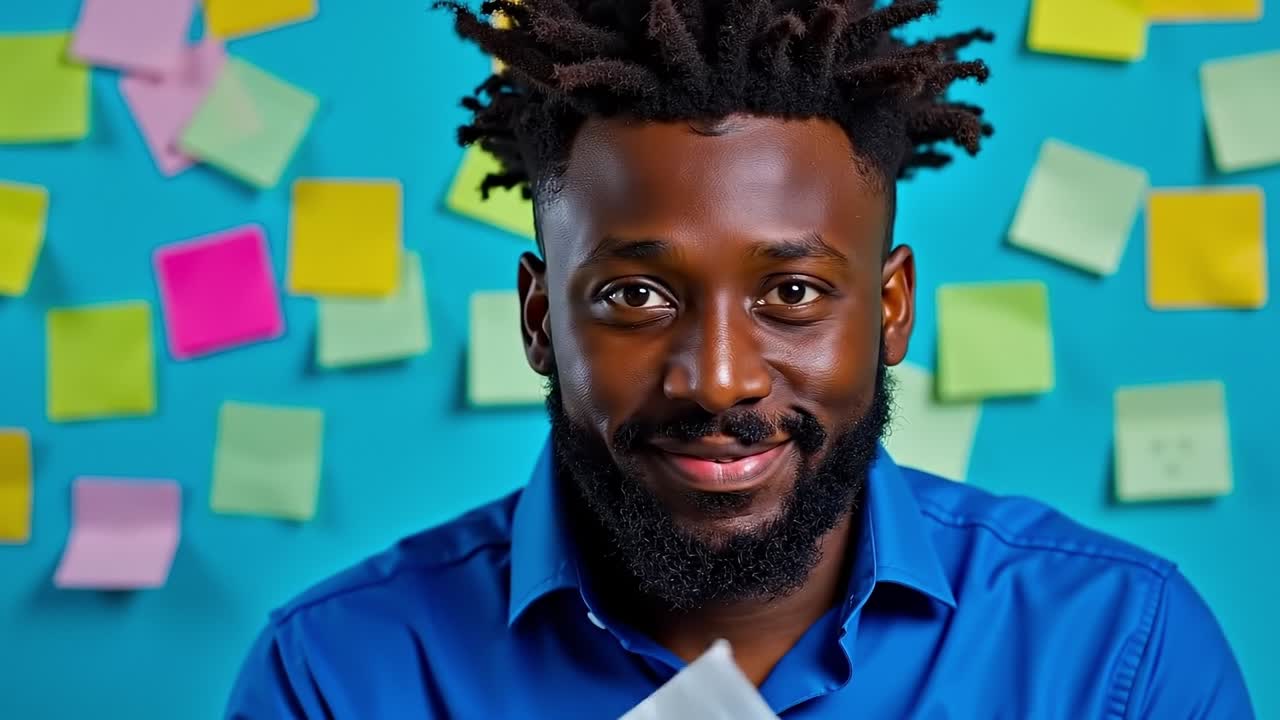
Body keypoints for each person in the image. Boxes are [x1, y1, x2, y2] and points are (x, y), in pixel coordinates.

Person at [225, 0, 1253, 716]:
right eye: (635, 296)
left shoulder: (1118, 655)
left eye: (792, 294)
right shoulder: (337, 677)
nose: (716, 380)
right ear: (538, 319)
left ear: (889, 309)